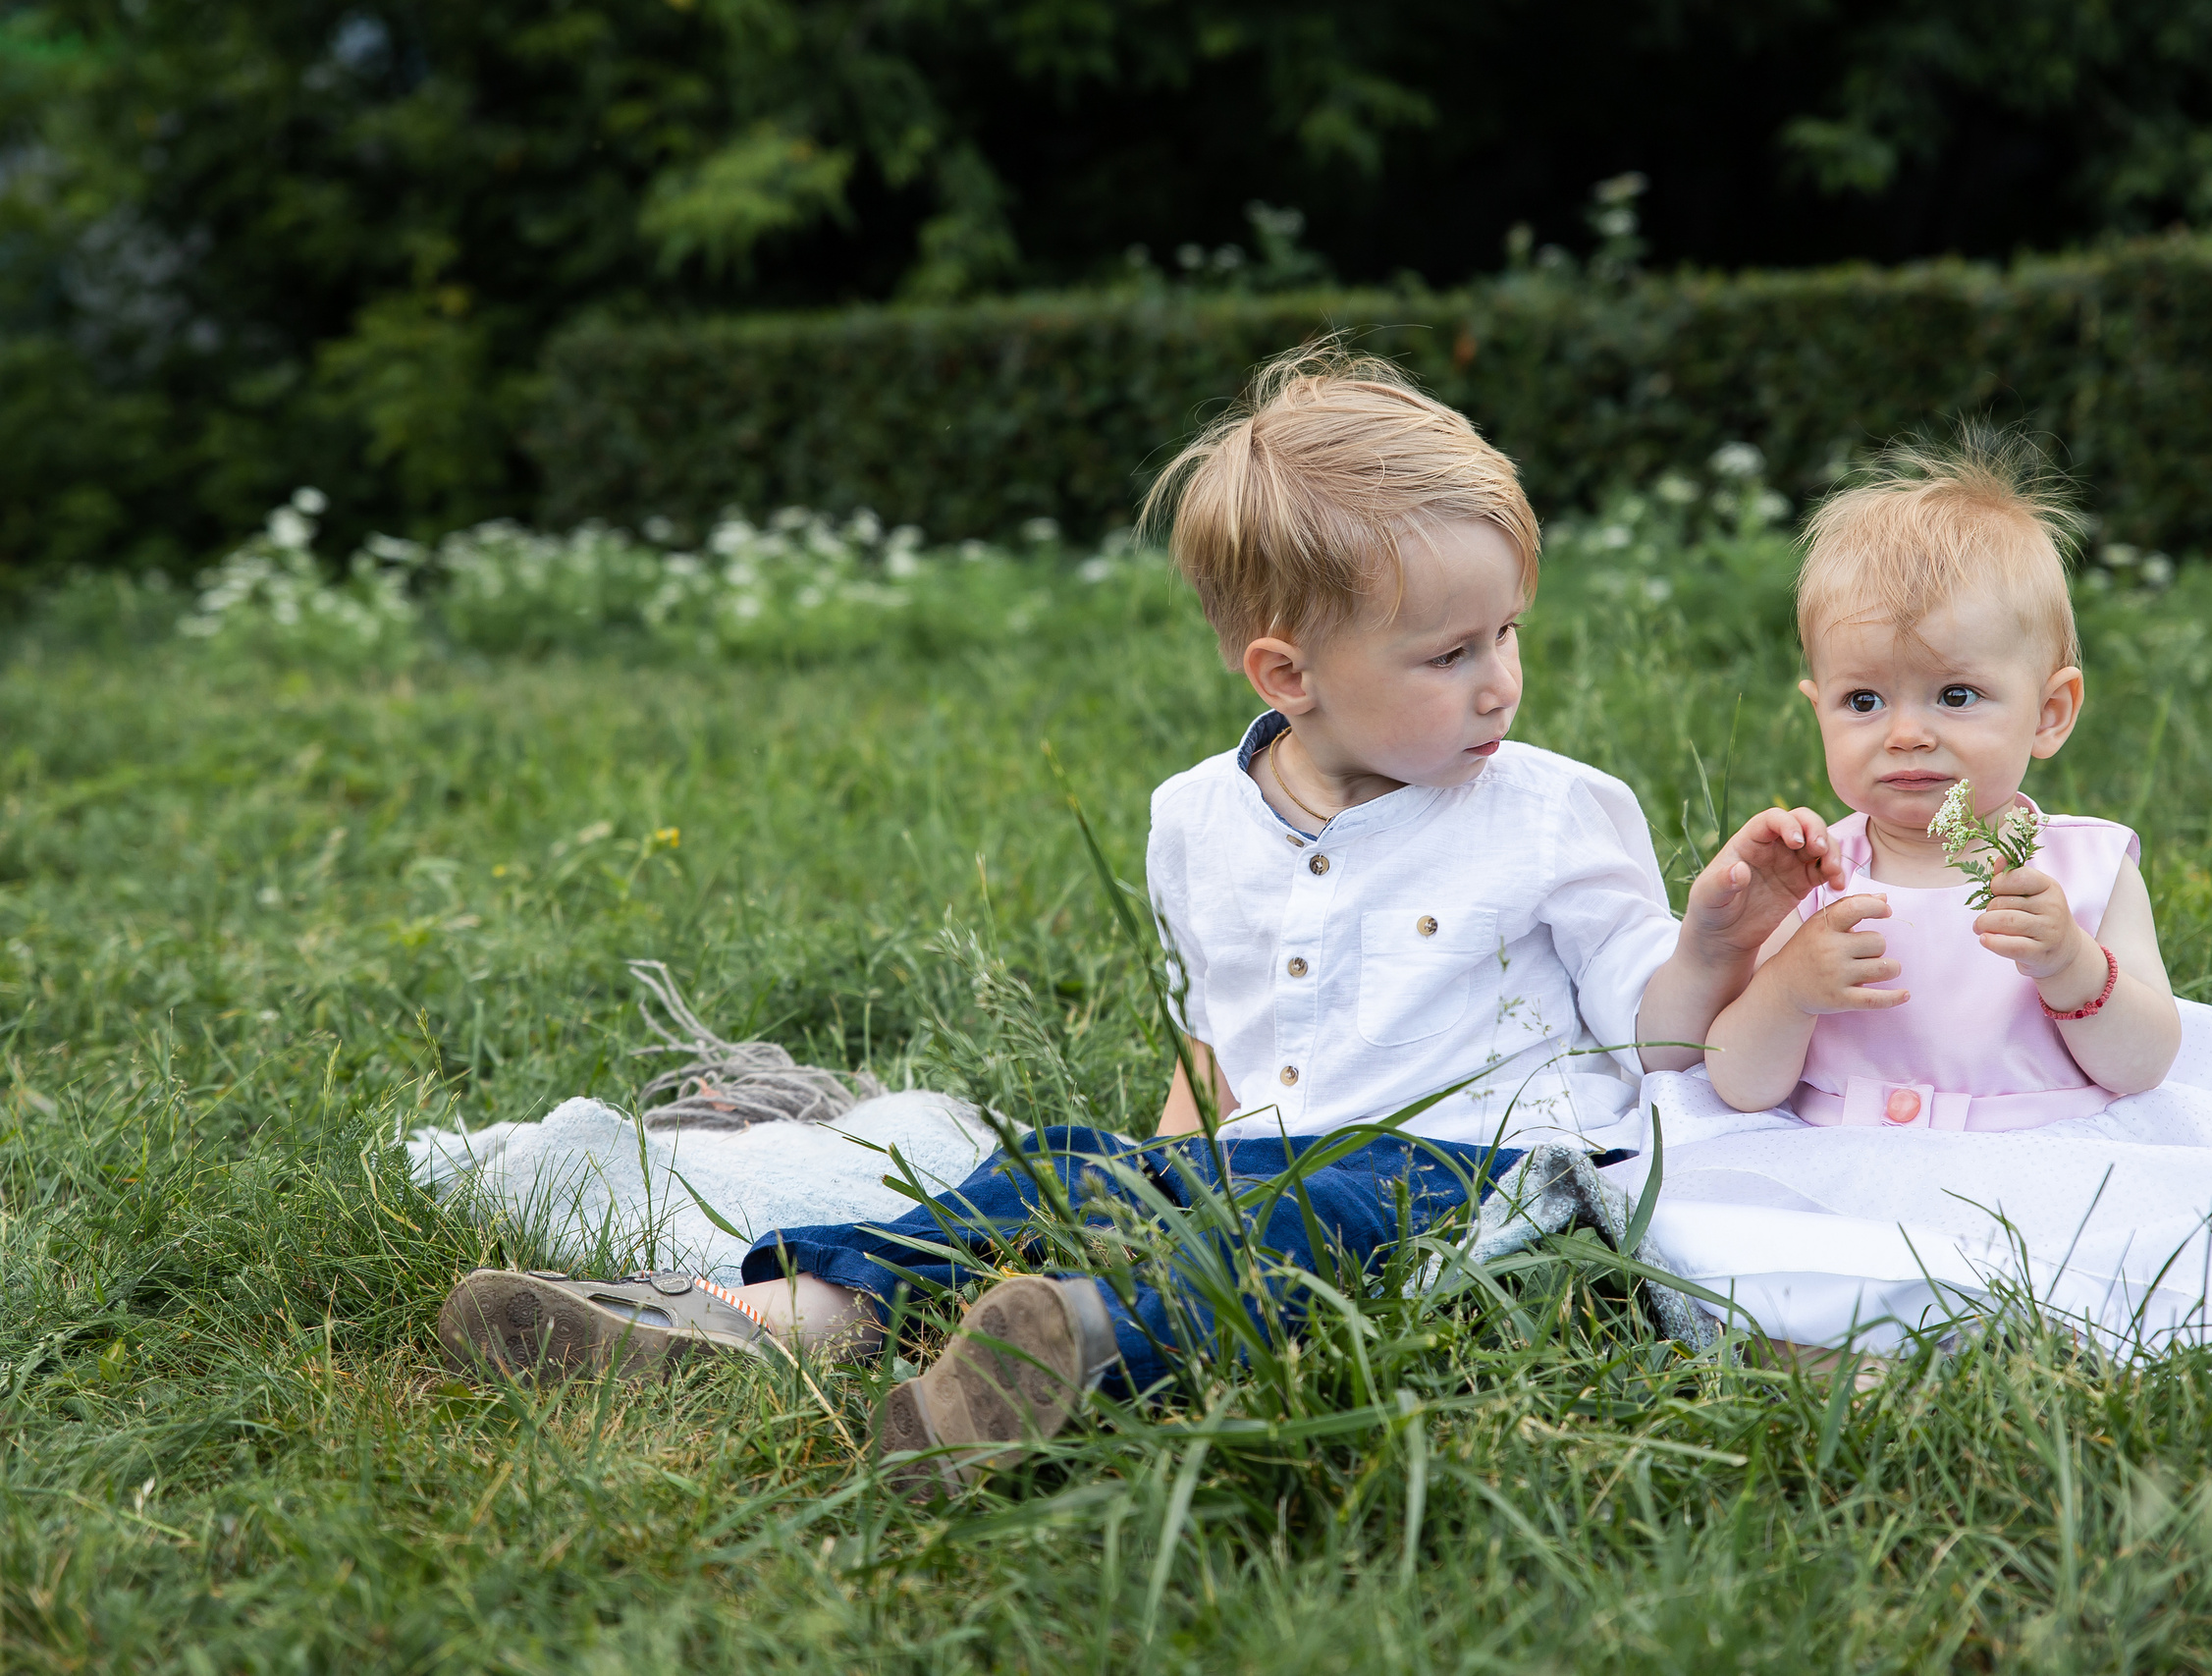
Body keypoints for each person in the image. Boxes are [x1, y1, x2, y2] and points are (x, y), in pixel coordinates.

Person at [436, 348, 1843, 1488]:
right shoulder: (1195, 817)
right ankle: (783, 1317)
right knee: (1057, 1167)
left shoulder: (1551, 809)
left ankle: (1079, 1347)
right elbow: (1209, 1039)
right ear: (1288, 669)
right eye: (1449, 652)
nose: (1499, 682)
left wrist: (1718, 932)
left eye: (1508, 636)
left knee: (1305, 1232)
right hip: (1255, 1152)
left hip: (1473, 1178)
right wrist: (1141, 1173)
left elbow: (1649, 1030)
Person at [1608, 429, 2212, 1361]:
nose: (1906, 733)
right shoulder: (1813, 869)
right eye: (1864, 700)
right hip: (1840, 1161)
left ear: (2051, 712)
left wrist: (2072, 963)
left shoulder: (2083, 870)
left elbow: (2143, 1059)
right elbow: (1739, 1083)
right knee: (1782, 1270)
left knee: (2116, 1285)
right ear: (1816, 704)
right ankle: (1849, 1357)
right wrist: (1786, 987)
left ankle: (2000, 1348)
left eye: (1955, 695)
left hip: (2044, 1161)